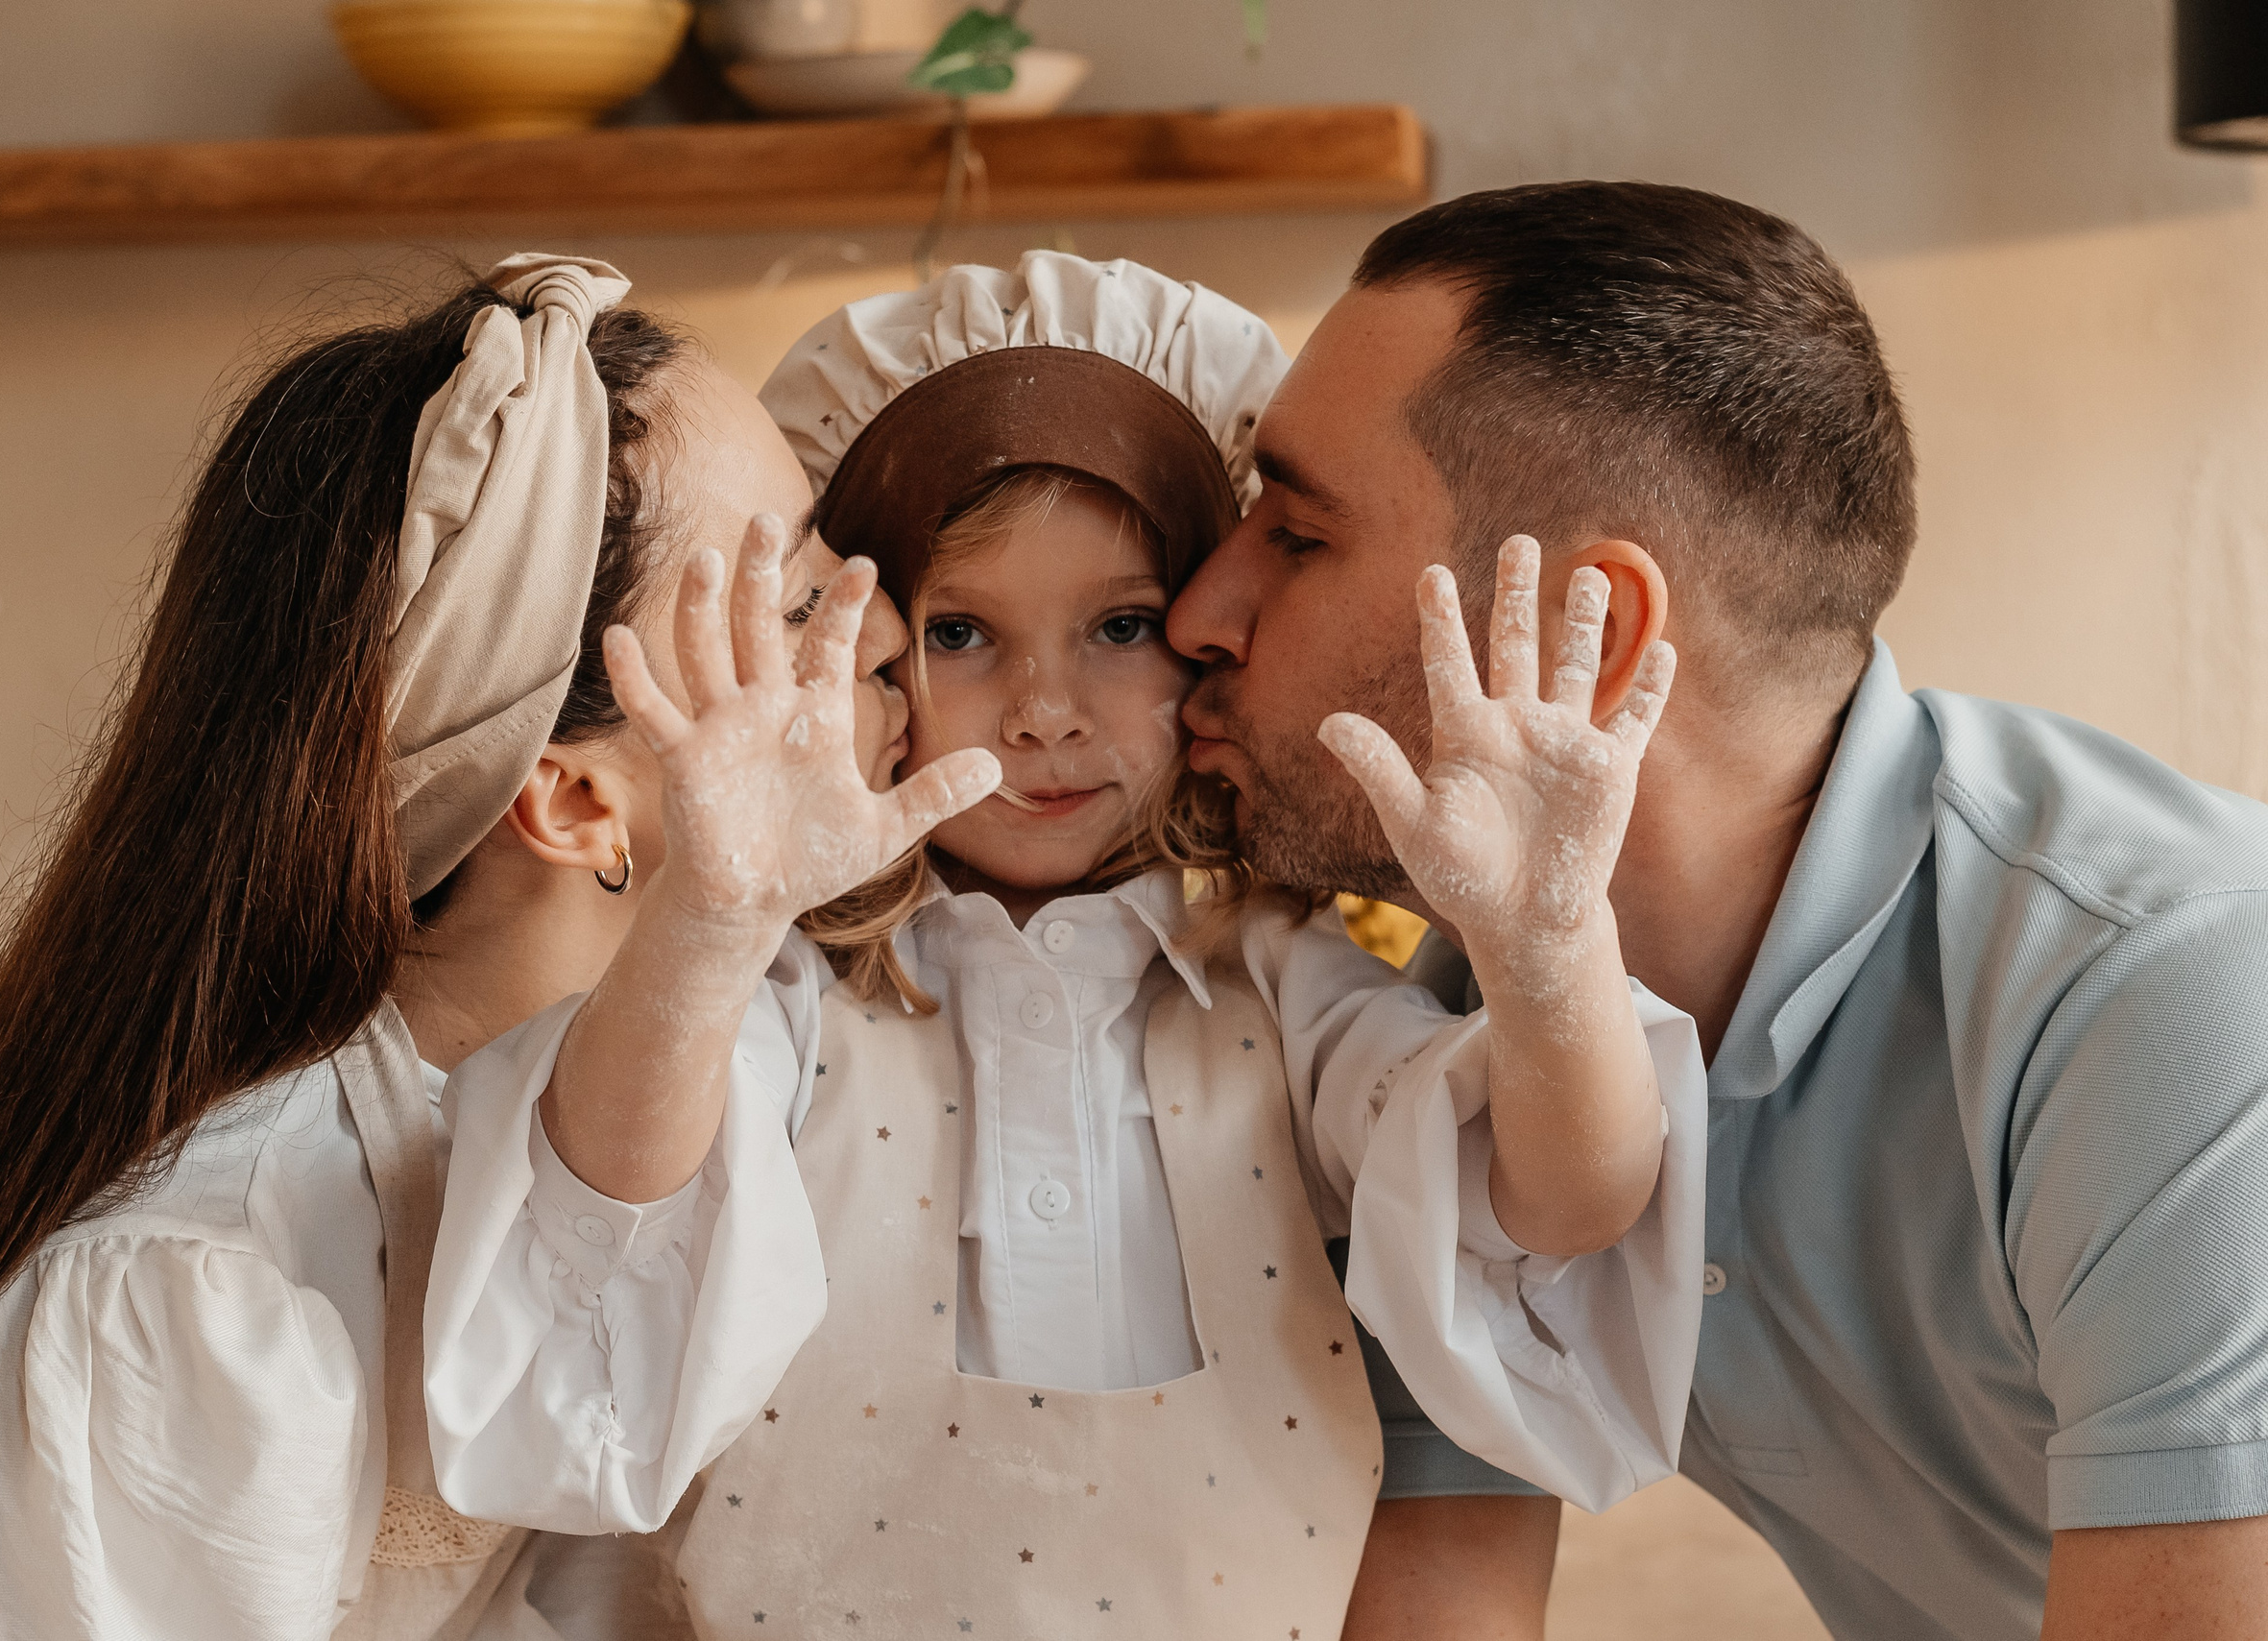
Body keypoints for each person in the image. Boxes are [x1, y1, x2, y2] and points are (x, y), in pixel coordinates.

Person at [422, 254, 1706, 1639]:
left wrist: (1547, 949)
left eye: (1121, 626)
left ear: (1212, 636)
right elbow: (605, 1213)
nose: (1044, 711)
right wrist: (710, 922)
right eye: (964, 630)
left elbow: (1564, 1209)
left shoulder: (1271, 985)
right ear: (857, 647)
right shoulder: (802, 993)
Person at [1166, 181, 2268, 1640]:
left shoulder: (2175, 998)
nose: (1198, 612)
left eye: (1297, 535)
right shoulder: (1455, 1030)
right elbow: (1442, 1601)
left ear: (1589, 632)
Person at [0, 254, 891, 1639]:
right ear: (572, 800)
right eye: (796, 606)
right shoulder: (209, 1294)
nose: (890, 636)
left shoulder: (738, 1064)